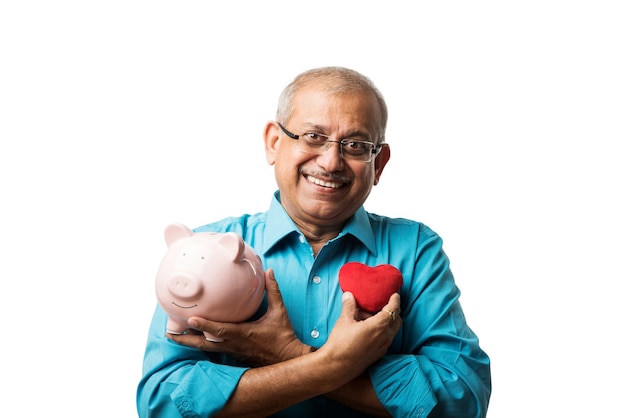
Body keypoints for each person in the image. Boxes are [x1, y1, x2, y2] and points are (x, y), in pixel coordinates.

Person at [137, 66, 491, 417]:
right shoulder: (205, 248)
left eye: (354, 145)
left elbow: (462, 398)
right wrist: (328, 366)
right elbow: (163, 403)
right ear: (274, 143)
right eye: (313, 137)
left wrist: (288, 354)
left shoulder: (415, 250)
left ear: (378, 163)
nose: (331, 161)